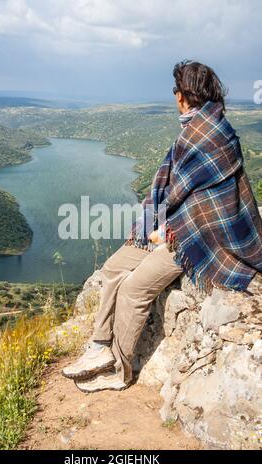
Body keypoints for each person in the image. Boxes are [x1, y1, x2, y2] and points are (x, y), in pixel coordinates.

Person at [62, 60, 262, 393]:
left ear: (185, 95)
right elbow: (179, 191)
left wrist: (166, 228)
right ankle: (99, 346)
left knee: (133, 289)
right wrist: (159, 225)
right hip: (174, 227)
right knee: (113, 268)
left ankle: (120, 370)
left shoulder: (208, 134)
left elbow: (196, 203)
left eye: (176, 90)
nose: (174, 97)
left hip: (199, 238)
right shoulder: (200, 126)